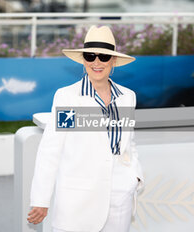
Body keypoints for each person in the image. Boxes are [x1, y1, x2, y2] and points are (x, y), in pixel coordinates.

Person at [27, 25, 144, 232]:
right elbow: (51, 151)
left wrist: (133, 177)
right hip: (78, 201)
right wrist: (41, 199)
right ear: (83, 60)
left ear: (114, 61)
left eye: (104, 57)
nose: (96, 62)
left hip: (120, 197)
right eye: (90, 56)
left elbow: (128, 144)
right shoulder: (68, 98)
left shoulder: (127, 97)